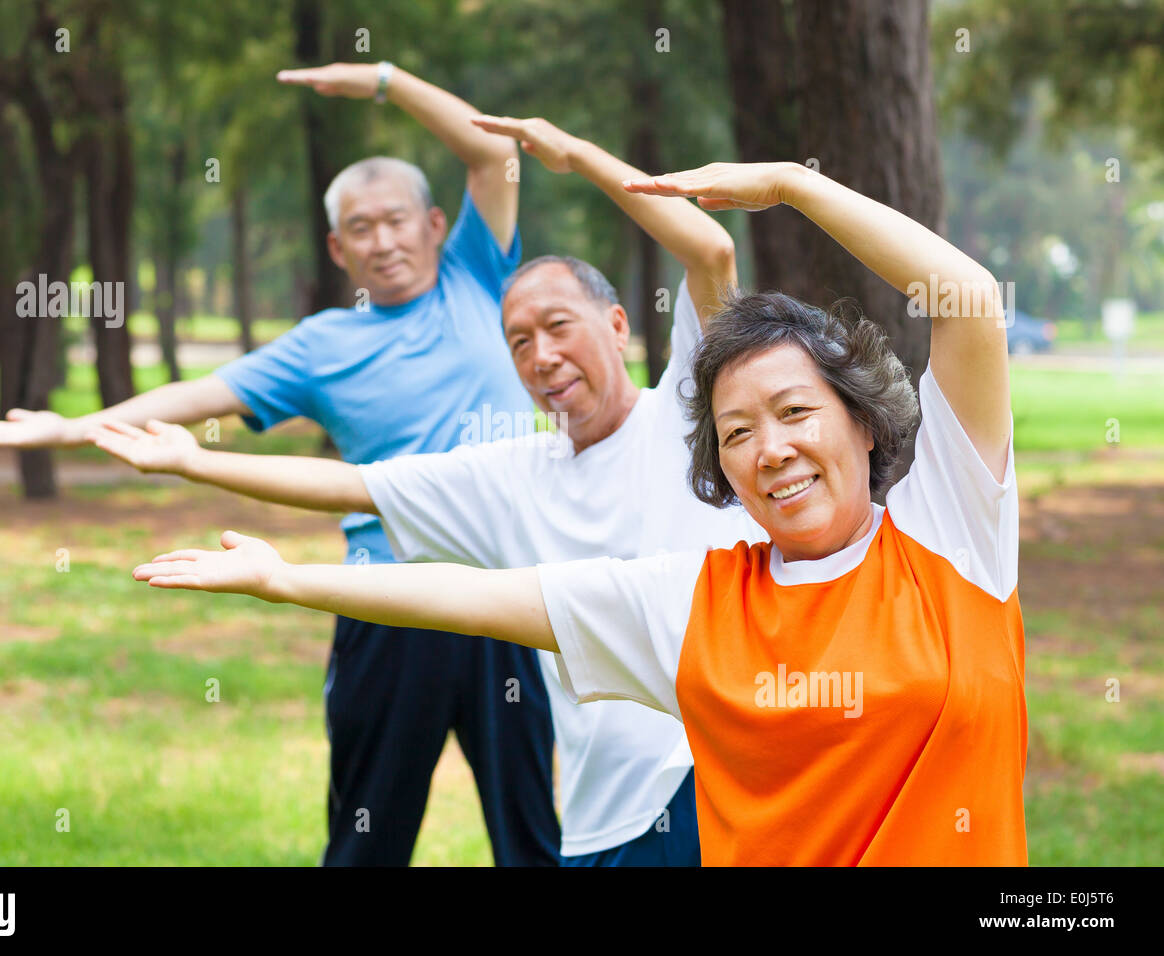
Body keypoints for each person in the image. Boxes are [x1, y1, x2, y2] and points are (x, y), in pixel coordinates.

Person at [129, 159, 1027, 866]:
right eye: (738, 431)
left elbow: (971, 303)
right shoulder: (696, 603)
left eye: (796, 413)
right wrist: (283, 580)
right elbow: (482, 599)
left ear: (863, 422)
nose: (772, 449)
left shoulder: (950, 531)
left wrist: (791, 186)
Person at [90, 116, 766, 865]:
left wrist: (576, 156)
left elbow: (710, 248)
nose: (542, 356)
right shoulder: (512, 475)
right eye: (518, 340)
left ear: (615, 323)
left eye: (558, 326)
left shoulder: (685, 406)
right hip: (601, 814)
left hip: (706, 778)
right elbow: (352, 484)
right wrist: (195, 463)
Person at [0, 62, 562, 867]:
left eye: (395, 221)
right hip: (386, 603)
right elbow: (198, 394)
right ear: (336, 246)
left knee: (533, 841)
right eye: (360, 227)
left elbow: (496, 156)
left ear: (432, 223)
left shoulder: (478, 276)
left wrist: (387, 82)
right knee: (365, 841)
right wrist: (74, 428)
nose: (382, 241)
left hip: (507, 599)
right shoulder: (323, 344)